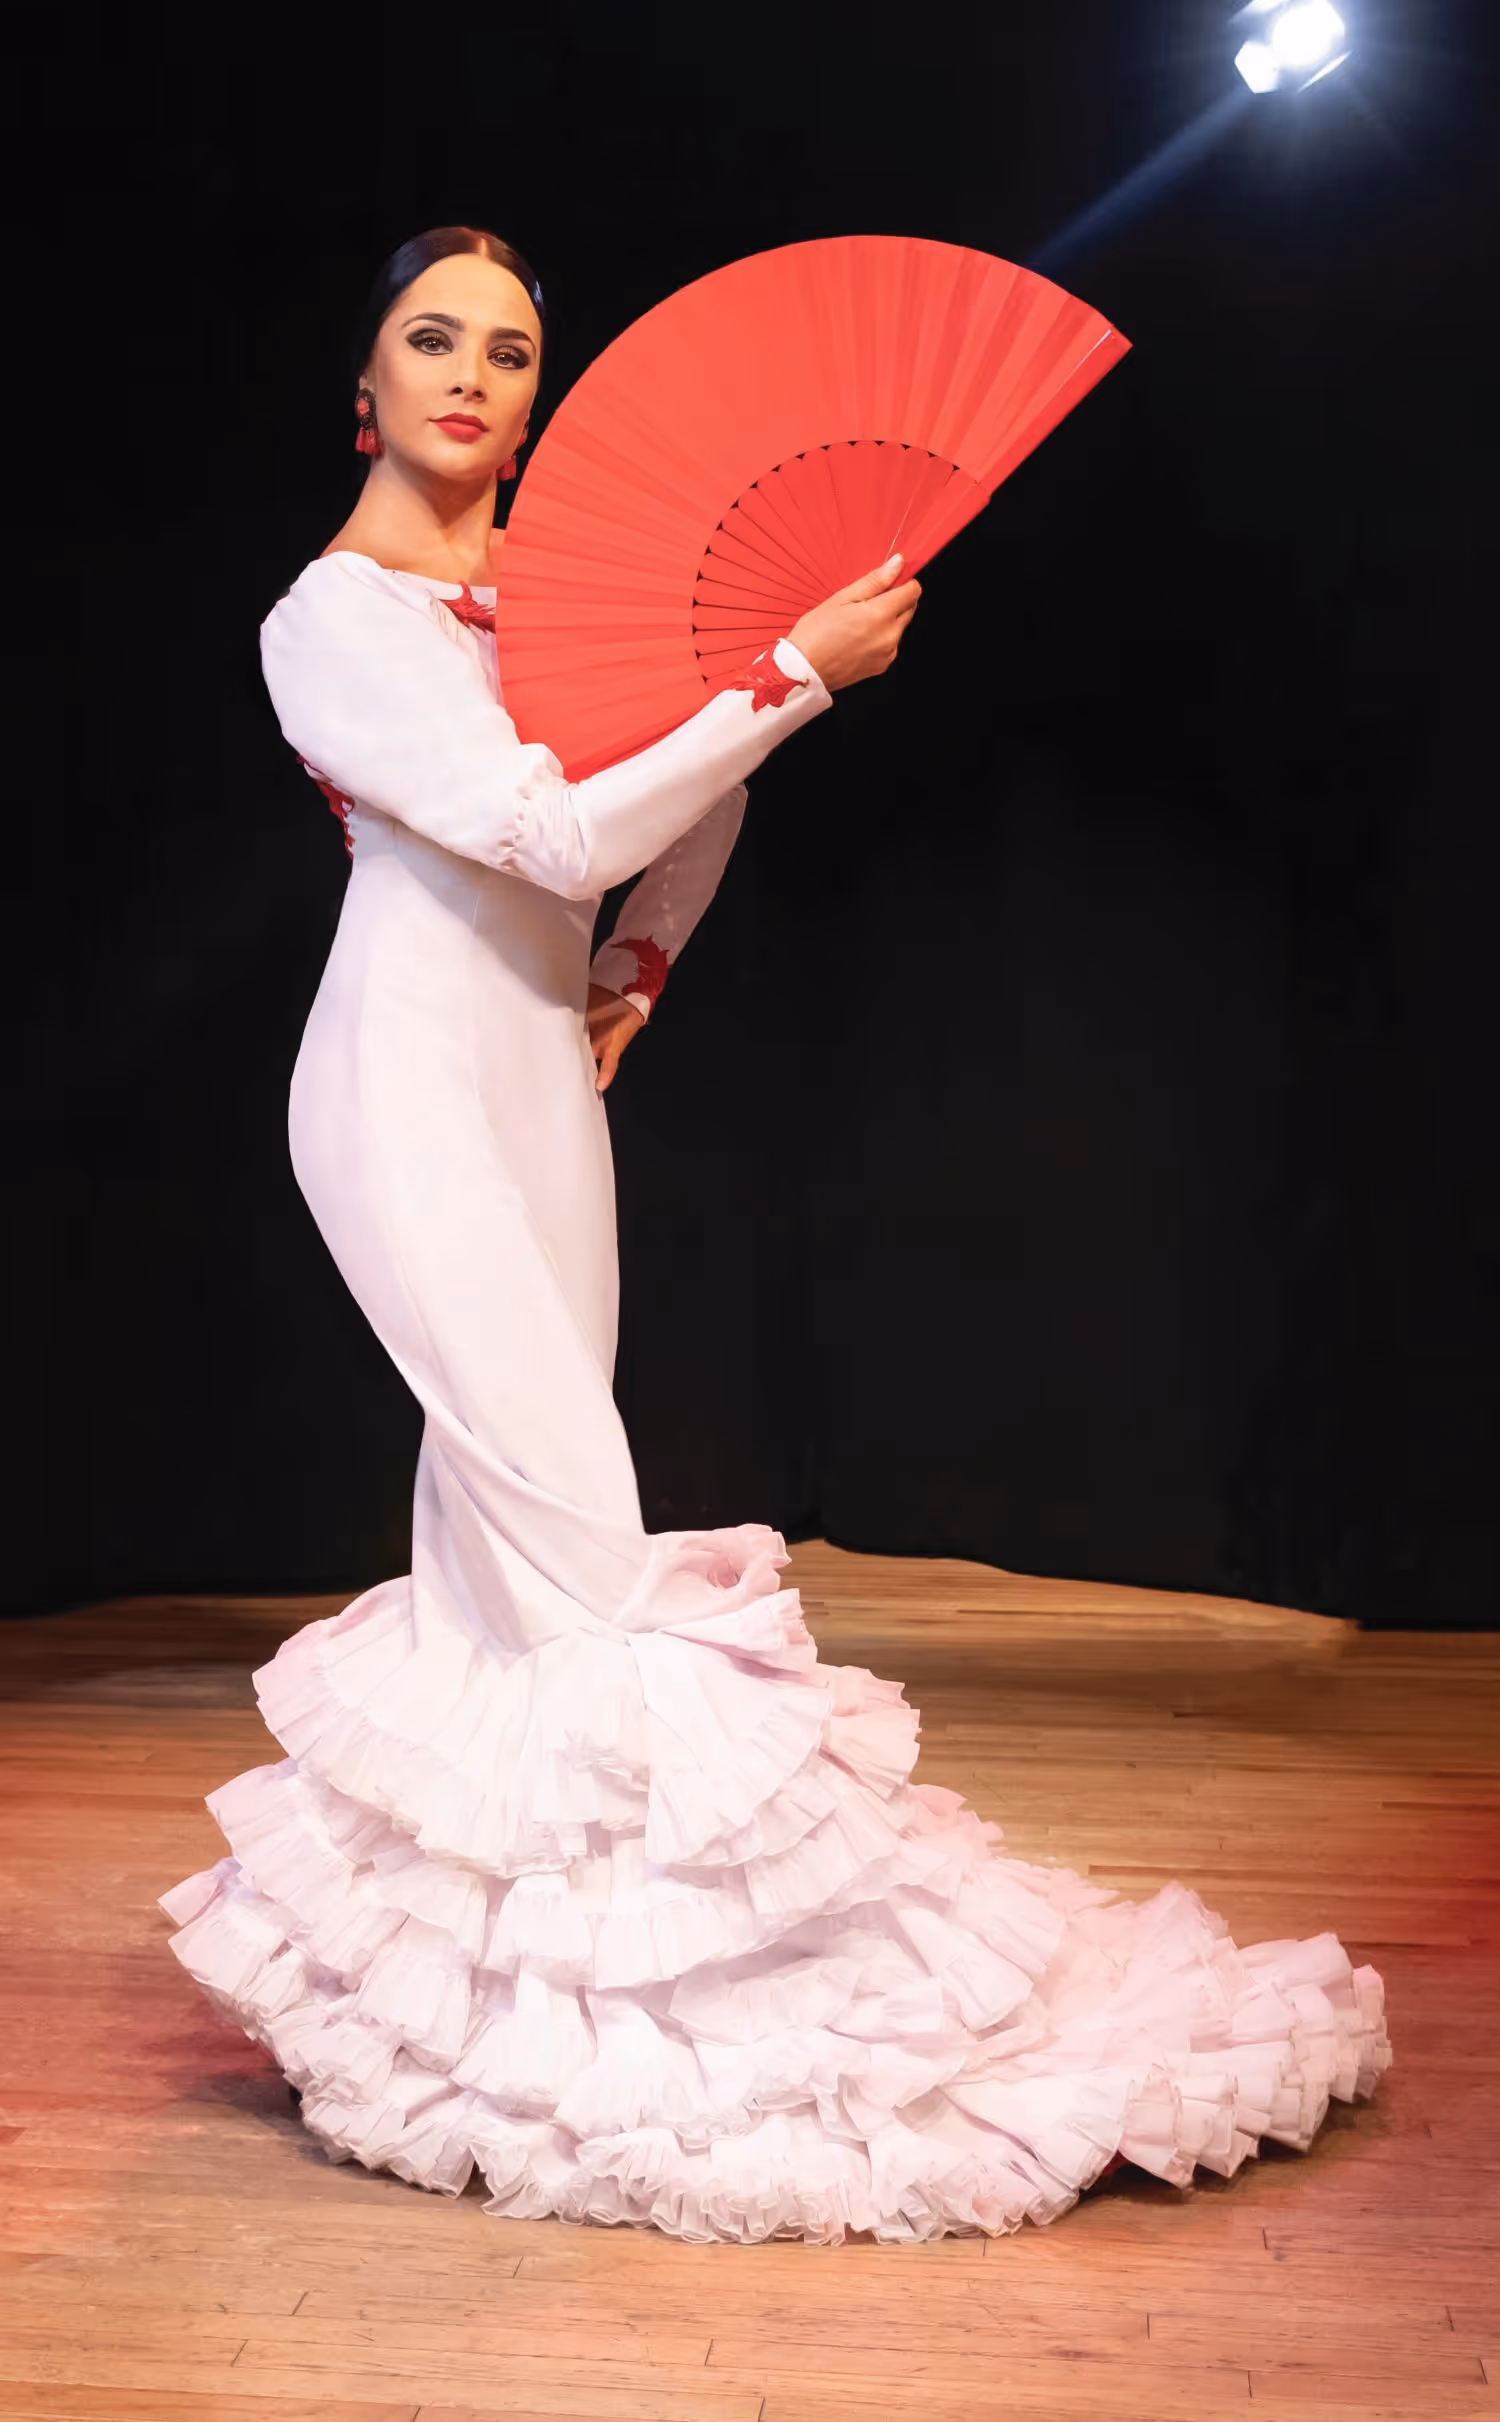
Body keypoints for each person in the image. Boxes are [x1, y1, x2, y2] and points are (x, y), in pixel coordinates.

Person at [158, 225, 1391, 2243]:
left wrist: (642, 958)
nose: (474, 375)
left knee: (500, 1549)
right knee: (573, 1522)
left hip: (542, 1077)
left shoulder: (542, 596)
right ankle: (660, 2017)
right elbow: (550, 827)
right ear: (363, 386)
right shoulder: (339, 617)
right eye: (433, 339)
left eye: (513, 351)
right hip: (398, 1080)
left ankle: (483, 2021)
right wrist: (791, 681)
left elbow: (651, 826)